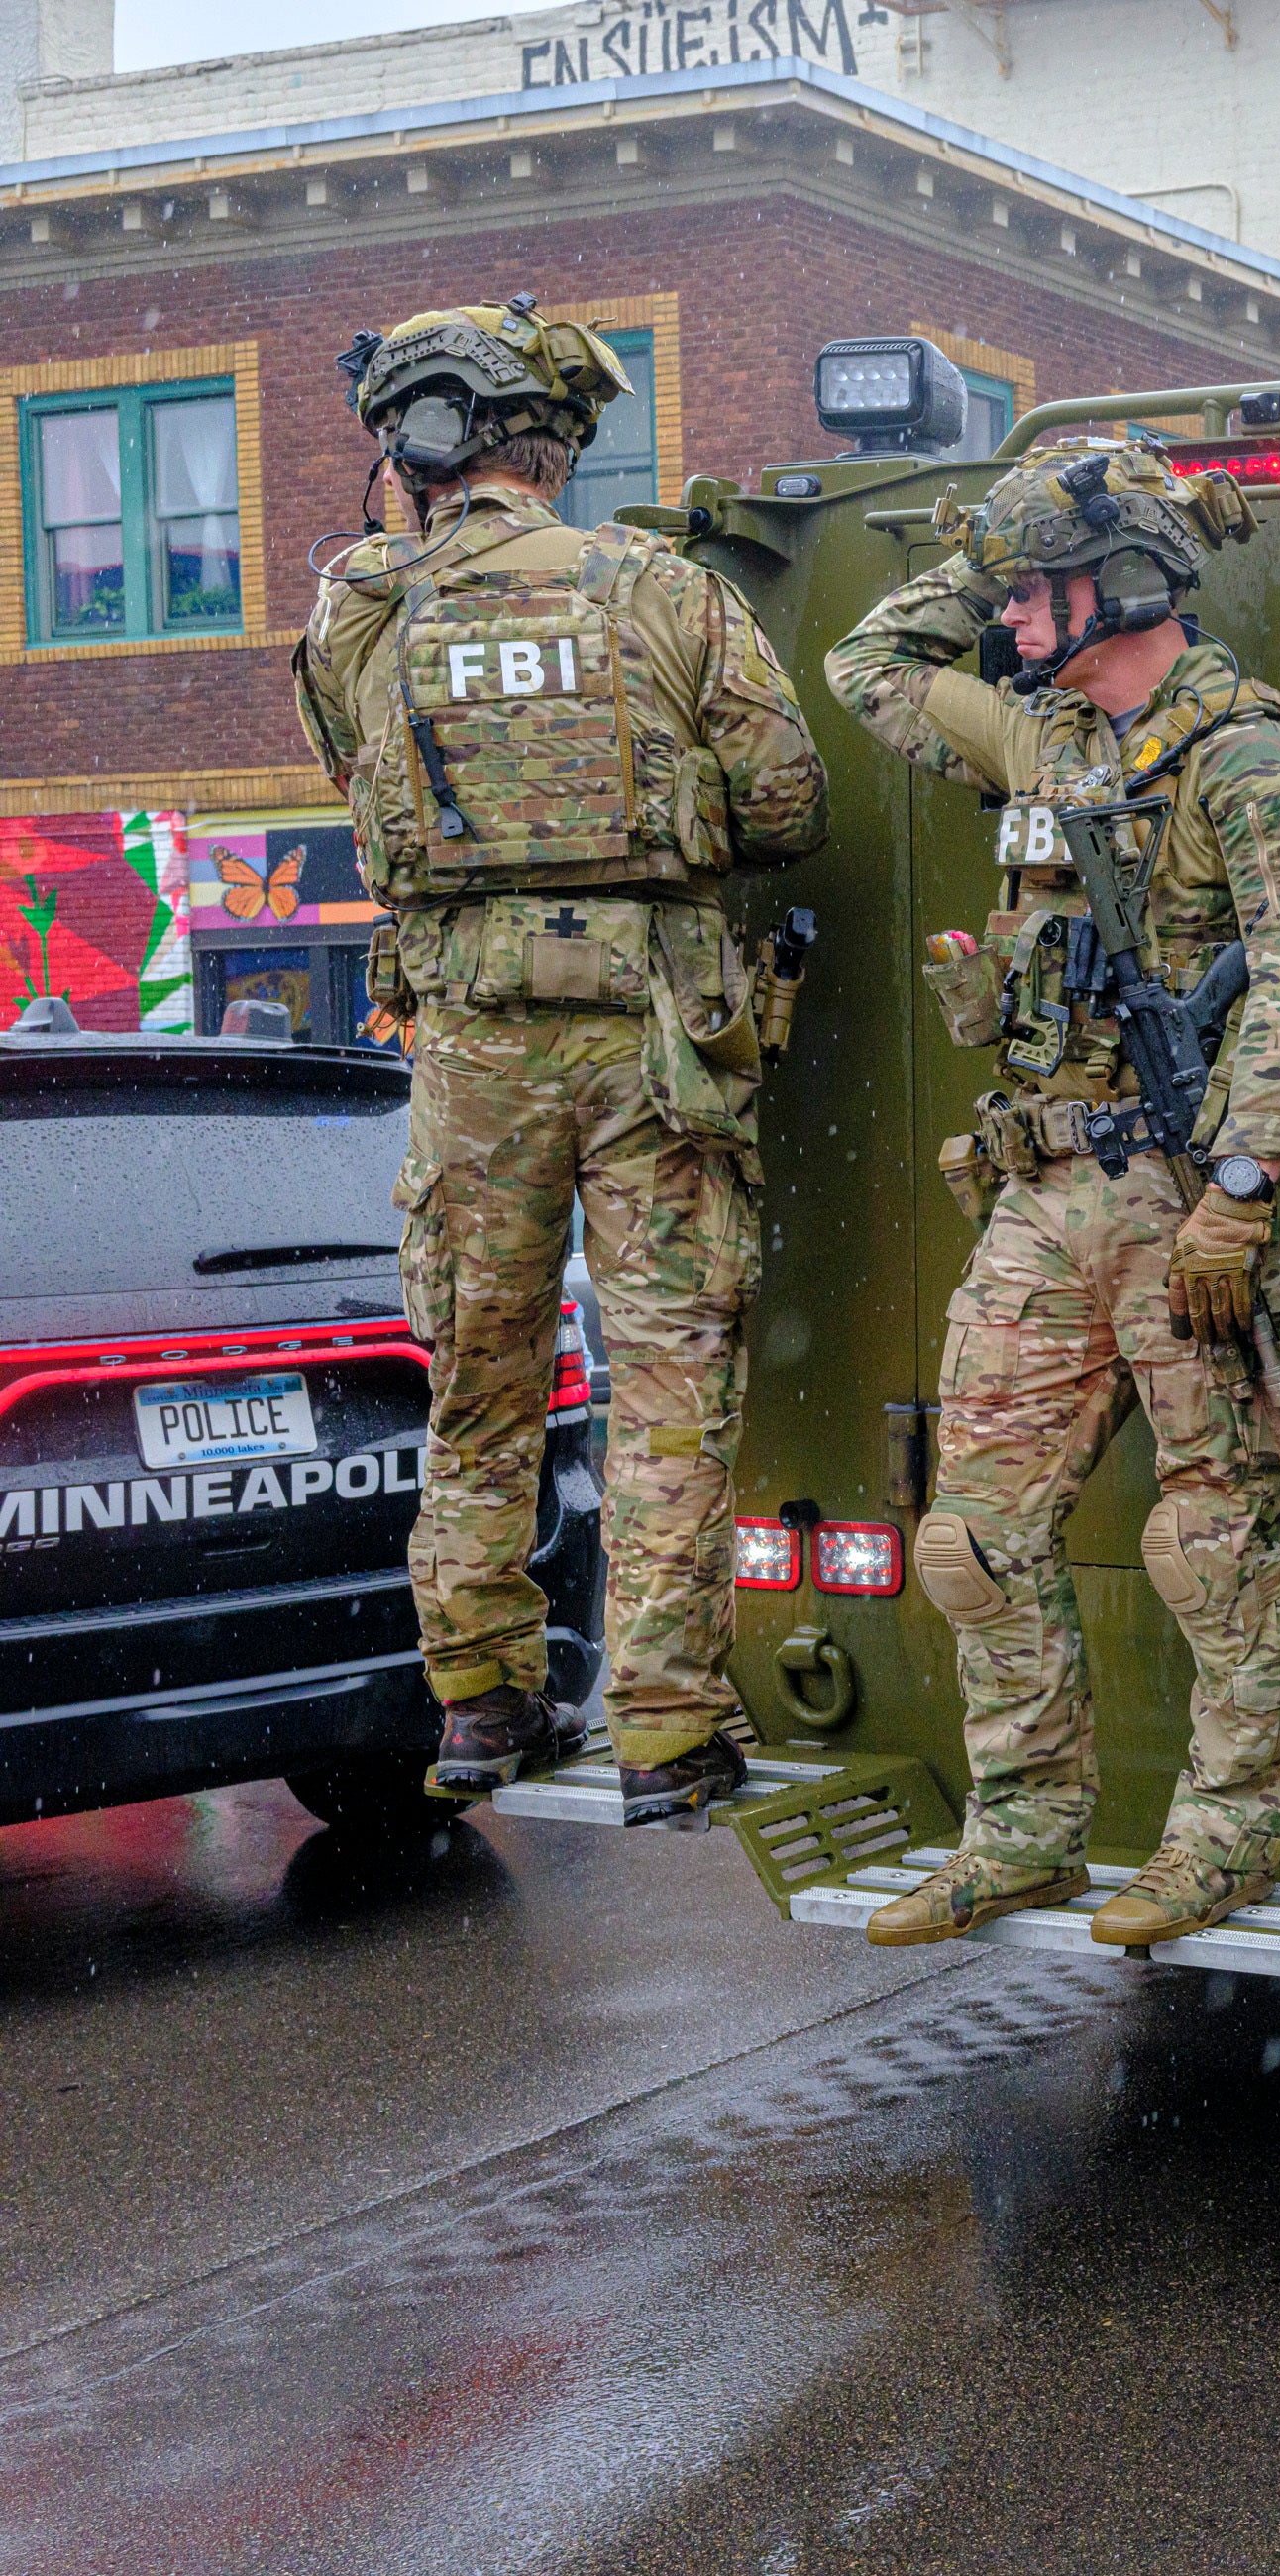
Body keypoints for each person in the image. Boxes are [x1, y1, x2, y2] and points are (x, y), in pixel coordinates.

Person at [824, 436, 1280, 1948]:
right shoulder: (1041, 743)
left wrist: (1244, 1189)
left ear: (1123, 583)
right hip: (1048, 1190)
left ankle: (1224, 1838)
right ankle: (1026, 1830)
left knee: (1217, 1543)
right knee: (971, 1537)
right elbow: (869, 663)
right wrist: (1000, 538)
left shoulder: (1253, 763)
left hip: (1202, 1198)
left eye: (1035, 587)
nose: (1006, 614)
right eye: (1003, 589)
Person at [291, 295, 828, 1818]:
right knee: (667, 1384)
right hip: (656, 1042)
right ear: (543, 446)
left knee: (481, 1384)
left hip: (471, 1047)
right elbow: (789, 803)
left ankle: (478, 1702)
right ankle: (666, 1728)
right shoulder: (659, 589)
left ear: (416, 445)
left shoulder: (359, 615)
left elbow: (359, 780)